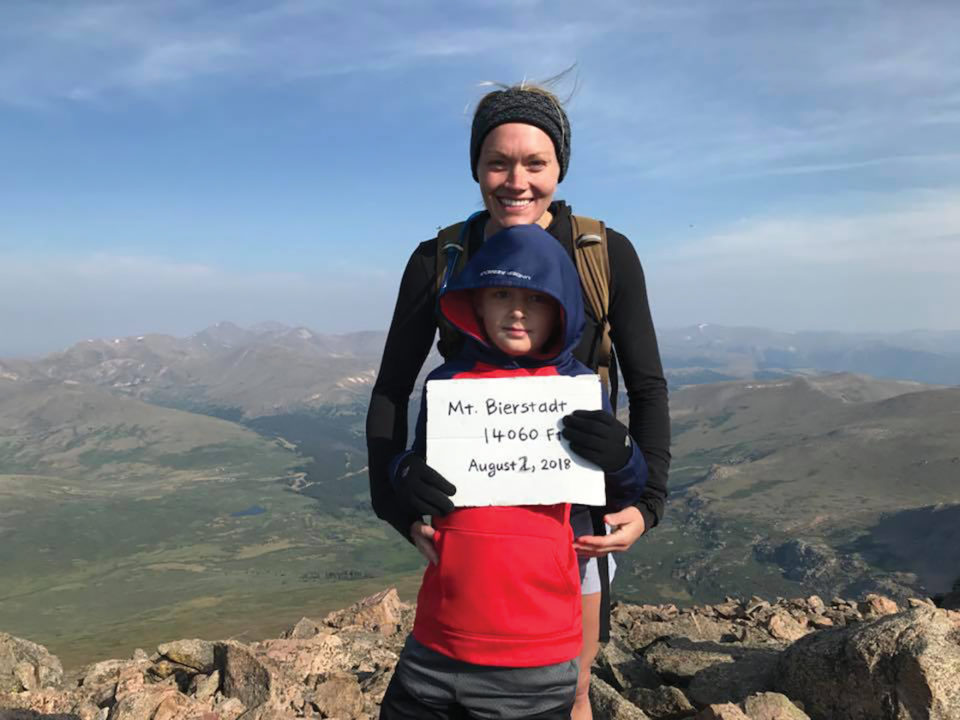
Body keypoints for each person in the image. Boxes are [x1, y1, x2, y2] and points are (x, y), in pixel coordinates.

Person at [366, 80, 671, 719]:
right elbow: (393, 388)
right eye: (497, 162)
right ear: (476, 167)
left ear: (560, 167)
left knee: (574, 683)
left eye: (536, 163)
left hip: (576, 514)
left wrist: (647, 504)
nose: (517, 181)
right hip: (472, 522)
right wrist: (395, 495)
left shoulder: (603, 254)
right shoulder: (439, 259)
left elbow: (647, 386)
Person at [379, 223, 648, 719]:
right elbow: (418, 464)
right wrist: (402, 473)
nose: (518, 310)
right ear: (476, 302)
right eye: (501, 293)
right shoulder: (448, 383)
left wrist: (623, 455)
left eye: (537, 298)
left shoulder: (579, 389)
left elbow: (618, 494)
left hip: (537, 655)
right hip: (436, 640)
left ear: (563, 309)